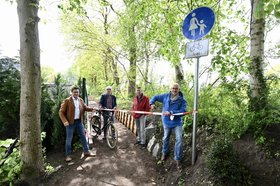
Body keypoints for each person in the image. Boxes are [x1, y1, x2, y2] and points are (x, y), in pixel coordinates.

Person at [150, 83, 187, 170]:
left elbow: (183, 110)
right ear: (170, 89)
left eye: (176, 89)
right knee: (166, 137)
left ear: (179, 90)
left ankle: (178, 159)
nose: (174, 90)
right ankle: (164, 152)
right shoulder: (165, 96)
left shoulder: (182, 100)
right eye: (173, 88)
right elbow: (154, 97)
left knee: (179, 139)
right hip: (166, 122)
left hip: (177, 122)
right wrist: (151, 103)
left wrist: (171, 112)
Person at [59, 85, 95, 162]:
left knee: (83, 136)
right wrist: (65, 121)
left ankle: (86, 151)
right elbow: (61, 112)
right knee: (69, 139)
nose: (76, 93)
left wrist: (92, 109)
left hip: (79, 122)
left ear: (79, 93)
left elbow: (85, 108)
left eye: (77, 92)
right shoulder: (67, 101)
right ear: (71, 92)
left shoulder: (80, 100)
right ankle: (68, 155)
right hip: (70, 123)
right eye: (74, 92)